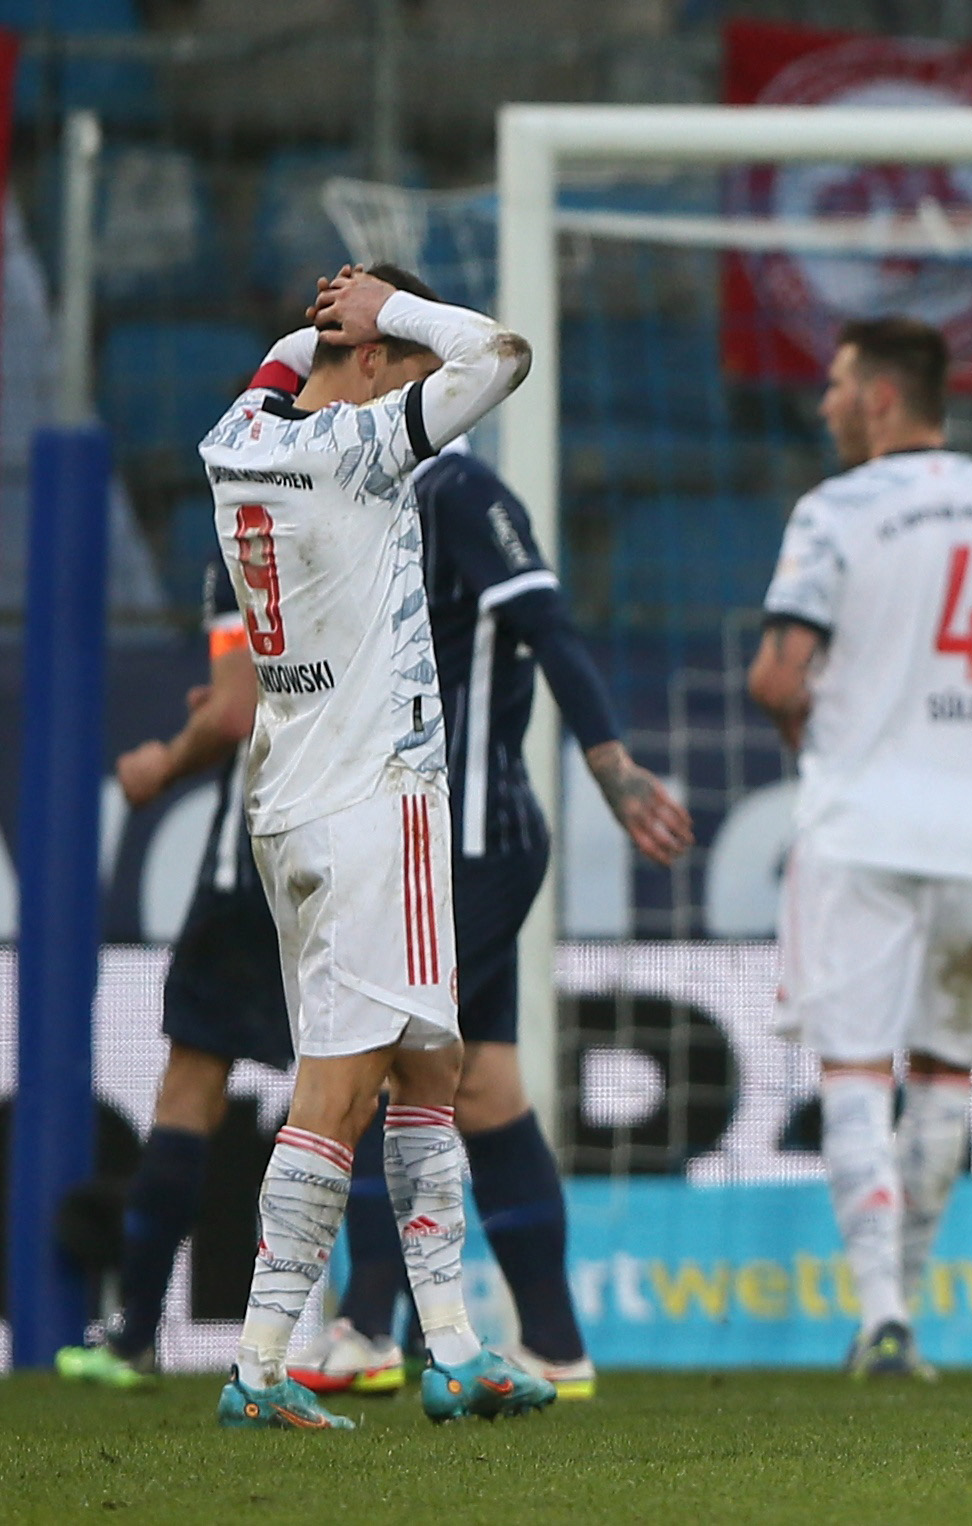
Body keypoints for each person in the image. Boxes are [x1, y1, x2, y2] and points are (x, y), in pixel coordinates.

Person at [203, 265, 552, 1429]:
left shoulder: (237, 437)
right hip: (374, 801)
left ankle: (454, 1346)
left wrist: (322, 326)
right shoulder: (357, 453)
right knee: (339, 1089)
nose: (419, 376)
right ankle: (258, 1365)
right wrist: (391, 313)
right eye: (399, 355)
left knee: (426, 1066)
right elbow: (501, 354)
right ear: (368, 359)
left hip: (290, 797)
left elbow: (280, 367)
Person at [287, 436, 693, 1401]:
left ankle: (365, 1325)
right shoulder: (368, 498)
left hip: (470, 842)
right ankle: (556, 1344)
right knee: (489, 1089)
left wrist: (614, 770)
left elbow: (549, 625)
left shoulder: (458, 489)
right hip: (422, 839)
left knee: (381, 1059)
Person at [747, 316, 972, 1379]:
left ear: (882, 397)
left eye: (839, 383)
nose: (825, 403)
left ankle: (881, 1314)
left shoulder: (834, 511)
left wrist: (826, 750)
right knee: (945, 1071)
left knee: (855, 1065)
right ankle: (911, 1309)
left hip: (860, 826)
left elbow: (773, 676)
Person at [54, 552, 282, 1389]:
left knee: (191, 1084)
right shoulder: (380, 511)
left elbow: (234, 714)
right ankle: (379, 1328)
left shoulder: (251, 513)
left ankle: (135, 1336)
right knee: (365, 1086)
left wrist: (162, 759)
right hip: (352, 845)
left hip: (253, 858)